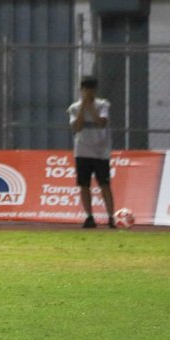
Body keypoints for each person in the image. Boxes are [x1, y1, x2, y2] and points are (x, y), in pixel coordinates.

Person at [68, 75, 115, 228]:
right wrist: (83, 106)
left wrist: (91, 107)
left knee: (104, 184)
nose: (89, 93)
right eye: (86, 89)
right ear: (81, 90)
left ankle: (111, 217)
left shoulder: (103, 105)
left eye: (91, 90)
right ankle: (89, 216)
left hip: (101, 151)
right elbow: (76, 127)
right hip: (82, 150)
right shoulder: (74, 108)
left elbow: (101, 122)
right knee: (84, 185)